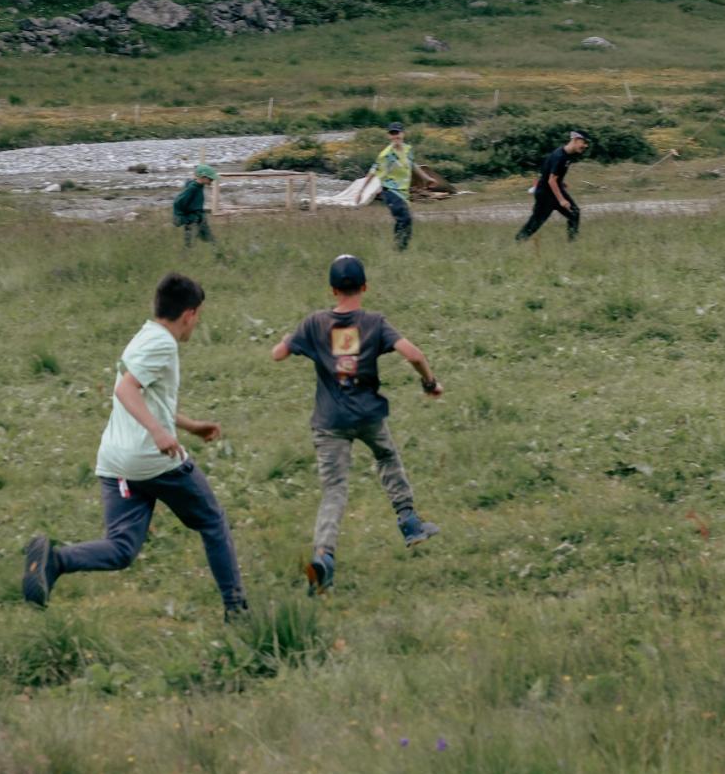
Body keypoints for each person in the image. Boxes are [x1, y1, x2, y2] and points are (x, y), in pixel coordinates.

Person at [23, 273, 248, 619]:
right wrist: (158, 432)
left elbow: (148, 398)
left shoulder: (144, 336)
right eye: (198, 316)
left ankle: (54, 561)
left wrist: (190, 426)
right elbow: (126, 390)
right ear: (189, 314)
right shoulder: (164, 344)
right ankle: (237, 610)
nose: (196, 323)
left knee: (121, 548)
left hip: (116, 463)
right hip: (154, 461)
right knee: (213, 522)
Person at [271, 254, 443, 596]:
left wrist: (290, 338)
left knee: (334, 489)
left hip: (329, 422)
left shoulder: (314, 323)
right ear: (364, 287)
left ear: (332, 290)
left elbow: (278, 354)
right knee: (386, 457)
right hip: (367, 416)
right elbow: (413, 354)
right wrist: (429, 383)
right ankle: (409, 522)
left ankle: (324, 556)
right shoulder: (374, 322)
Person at [515, 130, 588, 243]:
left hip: (554, 190)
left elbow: (549, 172)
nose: (585, 146)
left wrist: (561, 183)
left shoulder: (567, 155)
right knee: (536, 222)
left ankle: (572, 244)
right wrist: (561, 200)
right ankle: (518, 241)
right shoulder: (560, 156)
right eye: (583, 142)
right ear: (575, 140)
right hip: (545, 194)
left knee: (574, 213)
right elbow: (551, 180)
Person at [369, 122, 419, 251]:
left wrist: (427, 178)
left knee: (403, 220)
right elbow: (373, 171)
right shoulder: (386, 154)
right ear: (389, 136)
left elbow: (413, 165)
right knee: (405, 218)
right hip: (390, 190)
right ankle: (400, 248)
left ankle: (400, 247)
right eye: (392, 133)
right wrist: (361, 190)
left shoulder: (408, 150)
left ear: (403, 134)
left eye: (397, 133)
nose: (395, 136)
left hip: (403, 191)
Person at [173, 164, 217, 246]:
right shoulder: (192, 188)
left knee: (210, 240)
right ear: (204, 177)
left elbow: (195, 179)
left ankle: (216, 251)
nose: (212, 181)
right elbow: (178, 202)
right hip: (192, 220)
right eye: (211, 179)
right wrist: (180, 218)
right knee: (191, 243)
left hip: (200, 217)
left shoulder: (200, 185)